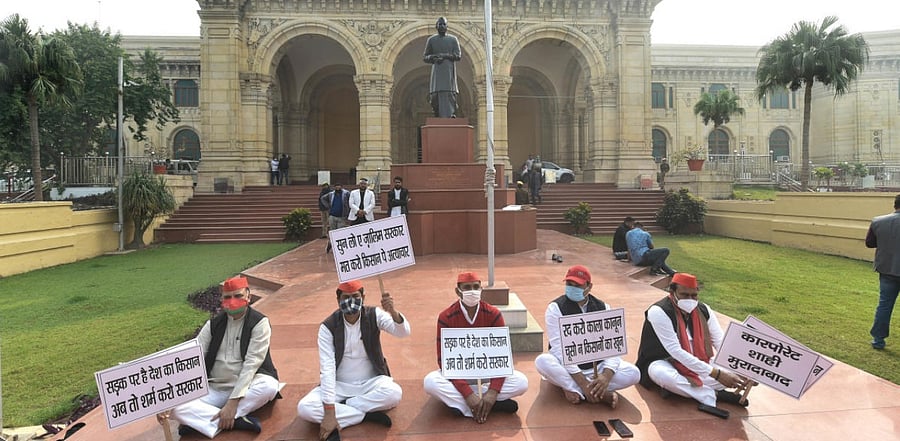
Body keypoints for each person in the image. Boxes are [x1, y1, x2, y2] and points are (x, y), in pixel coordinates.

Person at [166, 276, 280, 438]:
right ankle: (238, 420)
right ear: (222, 299)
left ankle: (206, 421)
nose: (232, 300)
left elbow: (252, 364)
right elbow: (193, 358)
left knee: (269, 386)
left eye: (238, 295)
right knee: (174, 406)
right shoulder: (212, 325)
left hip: (247, 386)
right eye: (227, 297)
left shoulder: (259, 323)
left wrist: (233, 402)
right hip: (215, 387)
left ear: (248, 295)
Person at [297, 280, 410, 441]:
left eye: (355, 296)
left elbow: (403, 332)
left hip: (371, 383)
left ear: (363, 297)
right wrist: (329, 410)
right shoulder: (328, 327)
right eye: (346, 297)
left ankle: (345, 409)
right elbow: (327, 368)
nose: (351, 301)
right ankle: (363, 416)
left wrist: (392, 311)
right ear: (338, 300)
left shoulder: (374, 315)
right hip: (340, 386)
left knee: (394, 393)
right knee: (305, 408)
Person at [635, 273, 749, 415]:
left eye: (694, 295)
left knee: (733, 373)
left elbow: (720, 342)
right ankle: (713, 395)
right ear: (672, 292)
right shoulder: (659, 311)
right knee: (663, 375)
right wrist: (717, 374)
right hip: (664, 360)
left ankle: (685, 390)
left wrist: (743, 369)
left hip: (699, 360)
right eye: (684, 295)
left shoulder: (704, 310)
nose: (690, 299)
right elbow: (675, 351)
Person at [423, 271, 528, 424]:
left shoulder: (494, 314)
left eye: (475, 287)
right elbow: (443, 361)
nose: (472, 291)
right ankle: (486, 405)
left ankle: (470, 405)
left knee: (522, 382)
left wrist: (492, 392)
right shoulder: (446, 317)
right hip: (459, 374)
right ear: (457, 291)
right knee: (430, 382)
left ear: (481, 289)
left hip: (488, 375)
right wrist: (467, 393)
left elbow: (502, 358)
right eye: (467, 287)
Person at [534, 265, 640, 407]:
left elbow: (613, 346)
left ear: (589, 287)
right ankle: (597, 394)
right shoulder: (555, 308)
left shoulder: (604, 307)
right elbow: (559, 349)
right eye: (569, 284)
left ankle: (575, 389)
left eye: (577, 285)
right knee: (543, 361)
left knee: (634, 373)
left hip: (598, 367)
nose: (572, 288)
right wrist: (582, 383)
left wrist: (606, 376)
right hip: (567, 367)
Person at [865, 193, 900, 350]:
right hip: (889, 269)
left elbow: (870, 243)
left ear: (895, 204)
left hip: (887, 270)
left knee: (884, 305)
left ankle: (878, 340)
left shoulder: (878, 221)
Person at [423, 17, 461, 118]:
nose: (442, 26)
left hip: (449, 71)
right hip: (437, 70)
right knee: (435, 95)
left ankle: (451, 114)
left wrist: (444, 56)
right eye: (440, 24)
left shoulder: (453, 40)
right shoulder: (431, 40)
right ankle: (437, 114)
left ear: (447, 26)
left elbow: (458, 56)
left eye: (444, 24)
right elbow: (425, 57)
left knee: (450, 93)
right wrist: (433, 57)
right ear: (436, 26)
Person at [322, 183, 350, 253]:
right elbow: (323, 198)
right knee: (332, 232)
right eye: (336, 187)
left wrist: (348, 209)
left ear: (341, 187)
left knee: (340, 232)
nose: (338, 188)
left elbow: (351, 201)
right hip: (332, 216)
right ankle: (330, 243)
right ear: (334, 187)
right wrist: (328, 206)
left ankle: (338, 246)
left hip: (342, 216)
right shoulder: (331, 194)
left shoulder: (346, 193)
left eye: (339, 187)